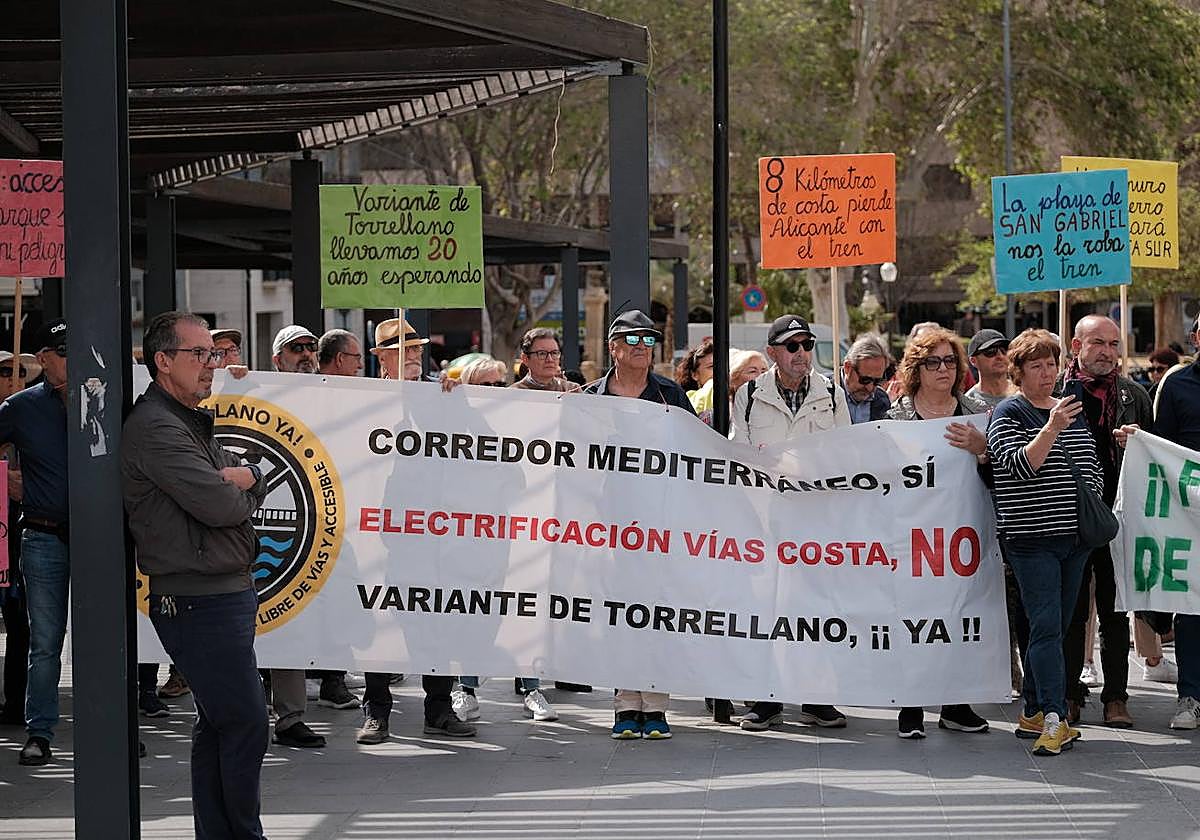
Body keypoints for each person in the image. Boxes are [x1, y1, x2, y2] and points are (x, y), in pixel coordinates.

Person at [122, 311, 270, 836]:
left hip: (218, 594)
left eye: (214, 354)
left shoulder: (185, 420)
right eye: (200, 355)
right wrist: (244, 480)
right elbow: (221, 505)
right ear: (163, 362)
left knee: (221, 721)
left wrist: (245, 477)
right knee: (246, 723)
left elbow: (251, 482)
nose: (214, 364)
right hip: (198, 599)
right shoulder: (158, 428)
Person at [357, 317, 477, 744]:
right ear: (381, 357)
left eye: (415, 348)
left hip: (431, 532)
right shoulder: (360, 398)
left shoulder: (441, 392)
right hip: (377, 532)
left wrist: (456, 400)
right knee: (381, 618)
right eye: (402, 348)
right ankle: (377, 712)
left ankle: (439, 708)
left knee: (435, 620)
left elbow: (480, 443)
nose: (412, 355)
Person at [728, 315, 849, 732]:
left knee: (814, 607)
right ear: (773, 353)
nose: (801, 353)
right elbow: (738, 453)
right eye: (792, 346)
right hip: (767, 520)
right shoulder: (747, 395)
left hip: (816, 519)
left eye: (807, 344)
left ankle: (816, 698)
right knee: (766, 608)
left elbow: (846, 451)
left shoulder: (832, 392)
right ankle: (766, 699)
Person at [986, 328, 1099, 756]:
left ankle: (1034, 708)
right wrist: (1051, 426)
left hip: (1074, 539)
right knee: (1047, 627)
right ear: (1018, 372)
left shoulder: (1069, 408)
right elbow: (1018, 466)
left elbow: (1089, 463)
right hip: (1031, 539)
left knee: (1053, 626)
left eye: (1052, 364)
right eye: (1037, 366)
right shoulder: (1008, 413)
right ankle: (1055, 717)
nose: (1048, 373)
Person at [584, 310, 695, 739]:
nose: (640, 347)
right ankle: (626, 705)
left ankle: (657, 706)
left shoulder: (669, 394)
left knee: (658, 613)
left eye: (648, 340)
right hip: (609, 528)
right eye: (631, 339)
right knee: (620, 615)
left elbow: (696, 453)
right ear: (612, 347)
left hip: (661, 525)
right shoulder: (592, 396)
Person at [886, 326, 991, 739]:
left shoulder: (975, 415)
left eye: (950, 361)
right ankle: (910, 706)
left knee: (957, 616)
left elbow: (996, 474)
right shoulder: (895, 418)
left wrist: (982, 448)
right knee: (912, 619)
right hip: (910, 538)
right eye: (934, 362)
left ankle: (955, 705)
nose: (944, 369)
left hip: (960, 538)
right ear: (917, 369)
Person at [452, 357, 559, 723]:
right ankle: (464, 688)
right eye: (484, 385)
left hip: (518, 534)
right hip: (466, 538)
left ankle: (532, 688)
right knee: (471, 611)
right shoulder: (455, 423)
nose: (494, 392)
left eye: (499, 385)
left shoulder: (523, 423)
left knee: (521, 609)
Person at [1060, 315, 1151, 728]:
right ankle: (1069, 694)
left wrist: (1137, 443)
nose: (1108, 352)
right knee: (1072, 609)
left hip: (1117, 516)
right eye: (1098, 342)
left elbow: (1155, 455)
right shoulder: (1057, 391)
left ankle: (1116, 696)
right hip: (1069, 516)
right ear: (1076, 345)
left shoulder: (1134, 395)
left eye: (1114, 344)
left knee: (1115, 610)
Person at [264, 325, 347, 747]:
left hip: (317, 528)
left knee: (290, 623)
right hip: (262, 527)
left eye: (312, 348)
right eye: (296, 349)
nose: (306, 354)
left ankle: (290, 717)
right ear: (276, 358)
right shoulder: (256, 391)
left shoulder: (335, 396)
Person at [1120, 316, 1200, 729]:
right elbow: (1160, 444)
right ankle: (1190, 696)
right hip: (1188, 511)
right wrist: (1140, 441)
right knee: (1191, 604)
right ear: (1196, 336)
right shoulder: (1176, 383)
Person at [0, 320, 70, 765]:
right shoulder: (20, 407)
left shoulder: (105, 399)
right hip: (43, 535)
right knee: (45, 641)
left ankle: (116, 727)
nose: (73, 357)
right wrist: (4, 478)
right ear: (43, 358)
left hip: (101, 538)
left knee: (109, 636)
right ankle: (39, 731)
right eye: (64, 349)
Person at [0, 350, 39, 728]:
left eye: (20, 371)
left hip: (19, 532)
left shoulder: (30, 414)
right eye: (5, 371)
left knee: (21, 622)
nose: (14, 377)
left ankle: (16, 702)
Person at [840, 333, 892, 423]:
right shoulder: (824, 392)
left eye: (877, 381)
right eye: (865, 380)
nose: (870, 388)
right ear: (848, 367)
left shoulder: (882, 400)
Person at [510, 328, 579, 392]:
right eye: (542, 353)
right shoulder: (513, 393)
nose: (550, 359)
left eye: (554, 353)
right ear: (525, 359)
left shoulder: (572, 390)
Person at [966, 329, 1016, 408]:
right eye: (991, 351)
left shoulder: (1025, 393)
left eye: (1004, 350)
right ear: (973, 361)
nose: (1000, 356)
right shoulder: (968, 403)